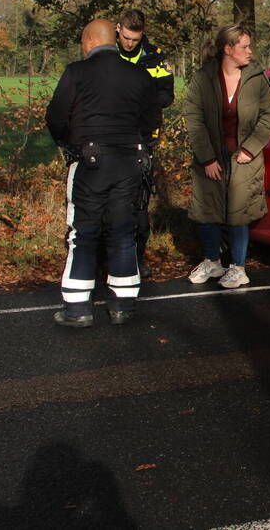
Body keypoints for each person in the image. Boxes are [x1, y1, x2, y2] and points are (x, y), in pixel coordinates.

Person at [45, 19, 159, 327]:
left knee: (83, 232)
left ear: (90, 42)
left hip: (90, 162)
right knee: (123, 231)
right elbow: (152, 120)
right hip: (129, 163)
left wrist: (70, 145)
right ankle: (122, 305)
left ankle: (77, 309)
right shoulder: (139, 75)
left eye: (83, 43)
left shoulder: (77, 72)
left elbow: (56, 117)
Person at [182, 23, 270, 288]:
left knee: (239, 212)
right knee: (207, 209)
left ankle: (238, 267)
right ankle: (212, 261)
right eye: (244, 46)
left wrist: (250, 148)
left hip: (244, 156)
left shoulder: (256, 77)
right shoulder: (203, 78)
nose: (250, 51)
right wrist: (207, 158)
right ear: (228, 48)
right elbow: (194, 118)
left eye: (249, 46)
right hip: (211, 154)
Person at [116, 8, 174, 277]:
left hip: (143, 139)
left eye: (135, 40)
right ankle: (107, 259)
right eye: (126, 38)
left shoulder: (155, 58)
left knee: (139, 202)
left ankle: (137, 259)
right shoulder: (107, 53)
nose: (130, 44)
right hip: (112, 138)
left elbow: (167, 96)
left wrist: (142, 100)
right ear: (118, 29)